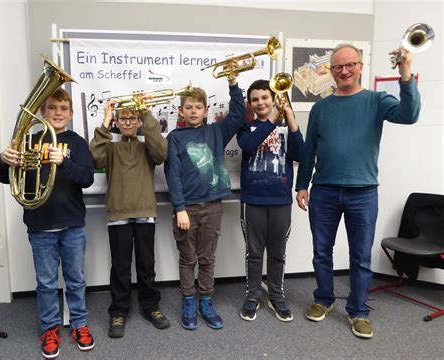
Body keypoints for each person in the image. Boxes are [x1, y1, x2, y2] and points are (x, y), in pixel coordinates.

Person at [295, 44, 421, 339]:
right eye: (337, 66)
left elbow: (410, 114)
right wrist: (302, 184)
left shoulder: (376, 101)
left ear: (361, 67)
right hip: (324, 191)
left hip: (363, 193)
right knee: (321, 252)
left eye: (349, 64)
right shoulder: (321, 107)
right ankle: (323, 299)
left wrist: (405, 72)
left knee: (361, 256)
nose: (344, 71)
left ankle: (359, 311)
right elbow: (309, 149)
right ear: (331, 71)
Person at [0, 88, 95, 358]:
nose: (58, 113)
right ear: (42, 112)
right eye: (52, 108)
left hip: (72, 223)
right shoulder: (30, 139)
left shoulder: (78, 143)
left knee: (76, 279)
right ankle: (50, 328)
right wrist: (3, 161)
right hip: (40, 224)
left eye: (63, 109)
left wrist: (64, 162)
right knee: (47, 282)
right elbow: (4, 177)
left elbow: (87, 178)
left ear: (71, 114)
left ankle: (79, 324)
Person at [164, 69, 246, 330]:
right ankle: (188, 300)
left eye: (198, 107)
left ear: (206, 109)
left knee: (207, 258)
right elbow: (173, 176)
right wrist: (179, 209)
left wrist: (233, 83)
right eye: (188, 107)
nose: (193, 111)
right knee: (188, 258)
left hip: (212, 207)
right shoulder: (174, 138)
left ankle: (206, 301)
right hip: (186, 209)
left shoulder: (216, 132)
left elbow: (237, 115)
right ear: (181, 111)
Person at [90, 99, 170, 338]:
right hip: (119, 214)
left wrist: (146, 115)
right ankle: (119, 310)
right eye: (122, 119)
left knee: (146, 265)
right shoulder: (111, 149)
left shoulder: (147, 147)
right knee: (121, 267)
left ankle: (150, 306)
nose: (127, 123)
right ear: (116, 122)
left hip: (145, 212)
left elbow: (161, 152)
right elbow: (96, 157)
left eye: (132, 118)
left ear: (138, 122)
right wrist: (105, 119)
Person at [237, 79, 304, 322]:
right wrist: (274, 120)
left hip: (280, 200)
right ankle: (253, 295)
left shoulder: (286, 127)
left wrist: (291, 119)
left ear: (273, 98)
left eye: (265, 97)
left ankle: (276, 294)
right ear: (250, 103)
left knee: (278, 253)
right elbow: (249, 145)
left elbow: (300, 155)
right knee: (253, 253)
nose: (260, 102)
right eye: (255, 99)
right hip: (252, 200)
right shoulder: (246, 127)